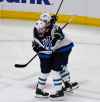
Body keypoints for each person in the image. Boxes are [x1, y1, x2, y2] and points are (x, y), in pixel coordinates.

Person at [39, 13, 79, 92]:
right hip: (61, 48)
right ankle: (67, 84)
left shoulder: (54, 29)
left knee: (56, 69)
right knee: (61, 67)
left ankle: (61, 89)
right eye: (42, 21)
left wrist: (57, 36)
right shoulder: (45, 27)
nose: (43, 23)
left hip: (63, 49)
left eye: (46, 22)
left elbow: (56, 39)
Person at [32, 20, 64, 100]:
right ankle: (59, 92)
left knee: (45, 73)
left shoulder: (41, 31)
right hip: (45, 57)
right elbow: (49, 47)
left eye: (43, 28)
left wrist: (52, 23)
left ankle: (39, 90)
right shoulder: (37, 37)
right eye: (40, 29)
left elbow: (50, 30)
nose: (42, 30)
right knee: (54, 72)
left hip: (49, 56)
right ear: (36, 29)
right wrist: (57, 38)